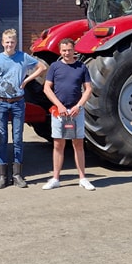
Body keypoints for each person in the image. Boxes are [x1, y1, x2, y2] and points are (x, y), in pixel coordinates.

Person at [0, 28, 46, 189]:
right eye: (7, 42)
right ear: (2, 42)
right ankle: (2, 176)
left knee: (18, 138)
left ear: (16, 43)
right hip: (0, 103)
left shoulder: (23, 57)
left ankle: (17, 175)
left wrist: (27, 80)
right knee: (2, 138)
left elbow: (42, 67)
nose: (9, 44)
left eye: (12, 42)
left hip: (18, 102)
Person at [42, 38, 95, 191]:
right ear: (60, 51)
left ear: (74, 50)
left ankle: (83, 178)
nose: (66, 53)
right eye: (64, 50)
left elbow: (88, 89)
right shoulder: (54, 67)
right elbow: (47, 88)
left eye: (69, 50)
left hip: (76, 112)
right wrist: (59, 105)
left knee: (78, 144)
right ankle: (55, 178)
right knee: (58, 144)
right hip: (59, 113)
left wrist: (78, 106)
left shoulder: (82, 67)